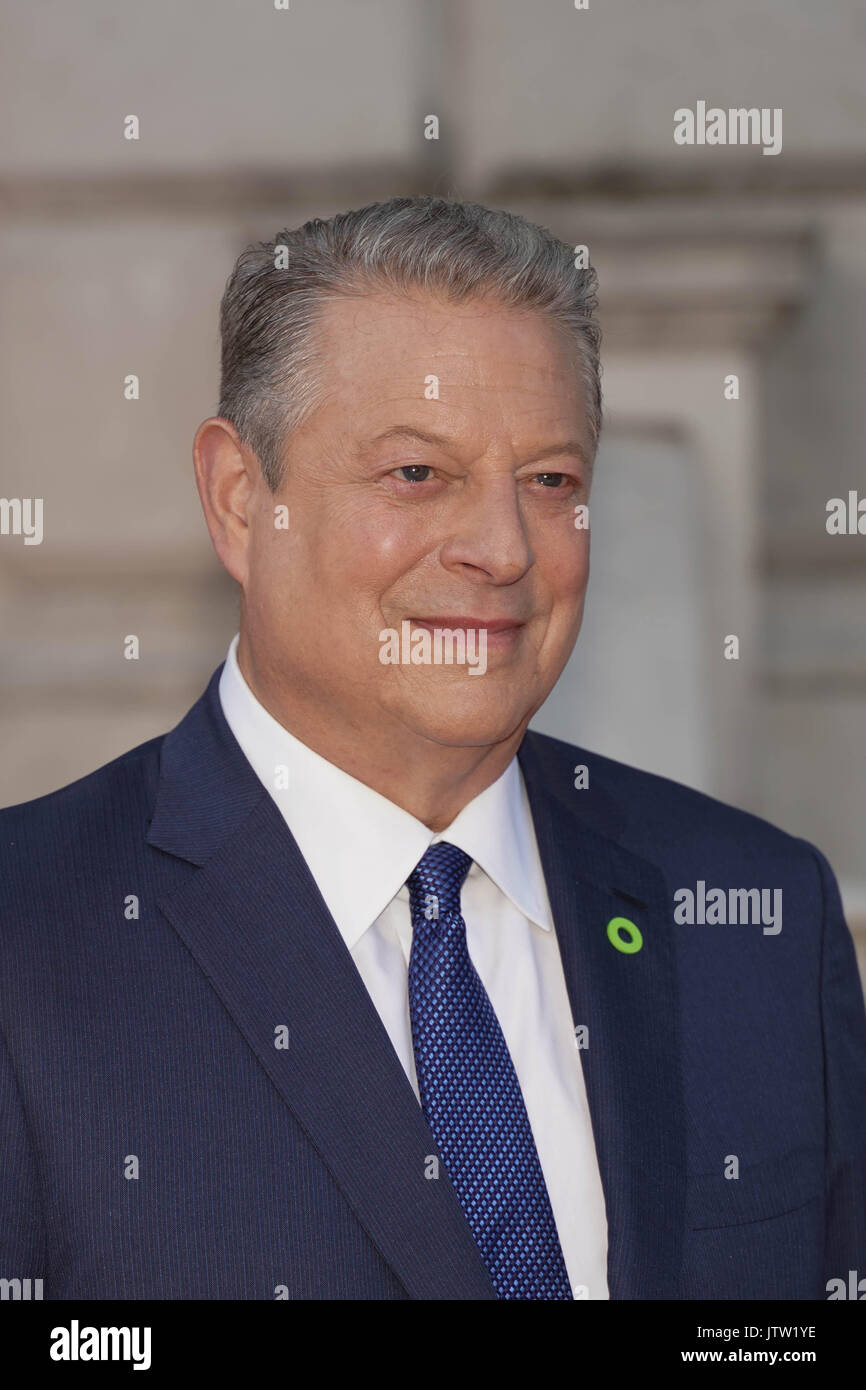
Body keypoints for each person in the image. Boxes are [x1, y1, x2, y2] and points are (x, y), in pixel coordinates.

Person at [1, 196, 864, 1300]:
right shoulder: (26, 945)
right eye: (416, 474)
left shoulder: (757, 917)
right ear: (236, 499)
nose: (502, 549)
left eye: (549, 481)